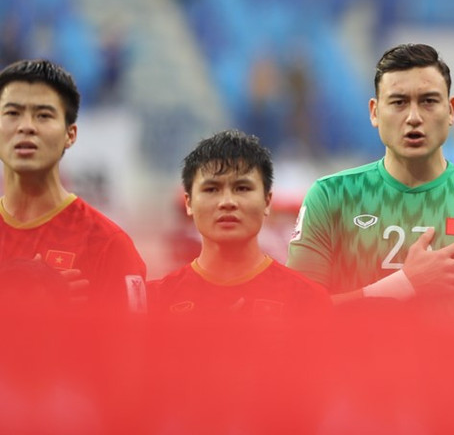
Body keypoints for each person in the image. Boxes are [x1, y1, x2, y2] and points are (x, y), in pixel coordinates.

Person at [287, 44, 454, 317]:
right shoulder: (331, 197)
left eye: (428, 101)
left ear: (450, 110)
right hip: (356, 360)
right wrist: (405, 284)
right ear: (375, 112)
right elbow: (298, 316)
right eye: (399, 102)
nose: (413, 118)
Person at [0, 59, 145, 312]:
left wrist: (64, 325)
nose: (26, 127)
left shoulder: (108, 245)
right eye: (12, 113)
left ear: (71, 135)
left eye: (43, 115)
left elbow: (133, 348)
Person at [149, 130, 330, 317]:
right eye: (211, 189)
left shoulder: (307, 300)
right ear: (188, 203)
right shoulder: (155, 301)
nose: (227, 202)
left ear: (267, 202)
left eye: (242, 188)